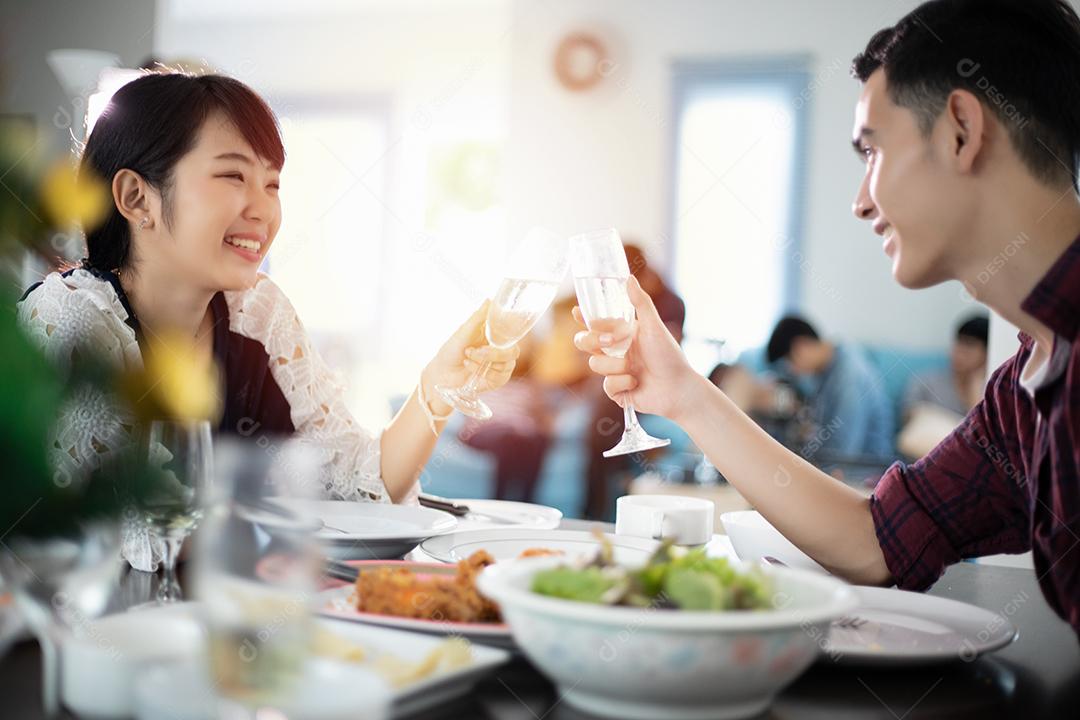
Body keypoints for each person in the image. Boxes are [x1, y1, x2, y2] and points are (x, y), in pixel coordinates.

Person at [574, 0, 1080, 636]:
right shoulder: (1022, 391)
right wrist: (685, 395)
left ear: (961, 130)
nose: (860, 201)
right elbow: (877, 543)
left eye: (872, 152)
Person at [16, 71, 517, 570]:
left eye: (272, 183)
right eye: (233, 176)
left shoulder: (256, 311)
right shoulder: (70, 319)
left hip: (225, 617)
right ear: (135, 198)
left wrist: (436, 386)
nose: (264, 210)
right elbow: (135, 537)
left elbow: (360, 492)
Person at [585, 242, 684, 519]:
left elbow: (667, 351)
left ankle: (601, 505)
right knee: (599, 417)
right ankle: (597, 503)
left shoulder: (670, 303)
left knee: (602, 420)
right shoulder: (623, 302)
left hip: (650, 382)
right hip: (624, 375)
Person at [765, 315, 895, 461]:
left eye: (789, 363)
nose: (793, 372)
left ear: (800, 348)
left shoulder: (849, 376)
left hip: (864, 470)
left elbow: (842, 454)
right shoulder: (824, 370)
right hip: (839, 460)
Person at [903, 314, 989, 417]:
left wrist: (974, 390)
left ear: (986, 354)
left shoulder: (990, 393)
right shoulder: (926, 381)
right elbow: (909, 416)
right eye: (958, 342)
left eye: (969, 345)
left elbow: (981, 429)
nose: (959, 351)